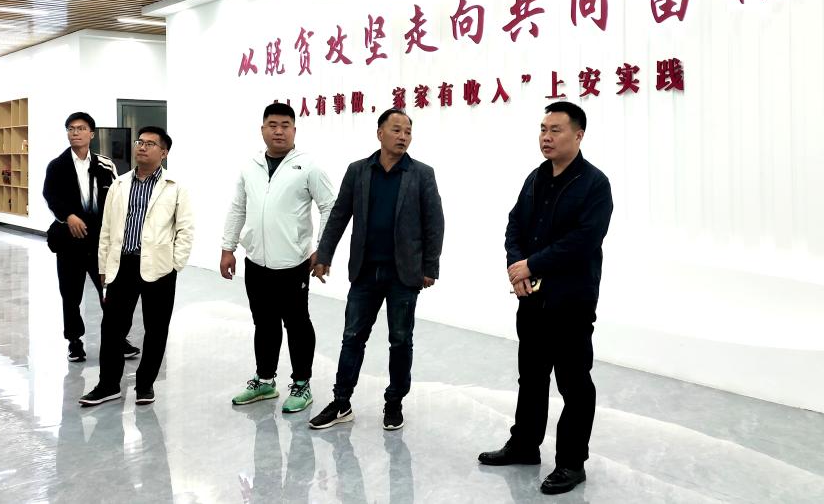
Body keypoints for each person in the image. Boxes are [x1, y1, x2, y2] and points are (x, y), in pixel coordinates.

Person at [477, 102, 613, 496]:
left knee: (574, 383)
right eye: (542, 129)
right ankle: (524, 445)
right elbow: (514, 225)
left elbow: (584, 240)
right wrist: (517, 267)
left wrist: (532, 264)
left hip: (571, 301)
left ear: (578, 135)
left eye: (555, 130)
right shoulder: (536, 178)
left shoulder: (594, 184)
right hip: (532, 298)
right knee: (531, 378)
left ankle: (572, 463)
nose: (546, 137)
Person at [308, 108, 444, 431]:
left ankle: (394, 402)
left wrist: (429, 266)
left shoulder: (422, 174)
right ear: (380, 133)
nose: (403, 137)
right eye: (396, 130)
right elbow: (340, 214)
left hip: (403, 274)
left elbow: (434, 223)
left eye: (408, 132)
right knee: (352, 337)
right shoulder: (358, 171)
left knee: (400, 340)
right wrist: (325, 253)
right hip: (366, 271)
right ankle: (341, 402)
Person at [221, 102, 335, 414]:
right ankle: (265, 380)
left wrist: (322, 248)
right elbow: (238, 207)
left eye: (285, 125)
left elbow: (330, 206)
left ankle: (301, 383)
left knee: (297, 324)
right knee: (264, 323)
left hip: (293, 264)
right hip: (256, 262)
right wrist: (228, 247)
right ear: (263, 129)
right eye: (272, 125)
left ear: (294, 130)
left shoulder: (308, 166)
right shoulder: (251, 166)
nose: (279, 131)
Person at [79, 126, 194, 406]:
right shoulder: (119, 184)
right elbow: (107, 229)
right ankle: (108, 385)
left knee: (156, 329)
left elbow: (185, 230)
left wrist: (174, 264)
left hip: (159, 267)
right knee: (112, 328)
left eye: (150, 144)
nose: (142, 147)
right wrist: (103, 265)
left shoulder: (175, 187)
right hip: (123, 265)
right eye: (140, 142)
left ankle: (145, 385)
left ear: (163, 153)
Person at [43, 112, 138, 363]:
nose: (75, 132)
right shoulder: (57, 166)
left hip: (99, 242)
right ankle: (74, 341)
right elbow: (50, 196)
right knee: (70, 294)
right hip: (69, 241)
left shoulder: (105, 164)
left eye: (81, 128)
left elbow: (118, 197)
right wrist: (69, 217)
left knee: (111, 292)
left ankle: (117, 337)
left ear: (91, 134)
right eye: (71, 128)